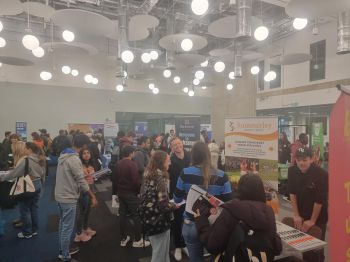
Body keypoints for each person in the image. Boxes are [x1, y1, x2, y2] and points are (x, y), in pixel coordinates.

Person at [193, 174, 282, 261]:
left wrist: (201, 221)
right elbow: (277, 248)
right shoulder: (268, 211)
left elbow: (212, 246)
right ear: (261, 191)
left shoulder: (231, 210)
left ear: (239, 189)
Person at [174, 141, 233, 262]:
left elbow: (177, 199)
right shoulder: (222, 176)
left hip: (191, 223)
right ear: (208, 155)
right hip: (215, 225)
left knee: (195, 259)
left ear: (193, 155)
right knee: (217, 258)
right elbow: (229, 202)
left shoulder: (185, 173)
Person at [55, 134, 98, 262]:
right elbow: (81, 180)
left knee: (63, 225)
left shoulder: (63, 156)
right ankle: (64, 256)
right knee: (67, 227)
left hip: (61, 195)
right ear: (84, 145)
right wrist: (93, 195)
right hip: (68, 197)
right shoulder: (73, 158)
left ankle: (64, 250)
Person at [287, 147, 328, 262]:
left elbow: (319, 201)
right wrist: (296, 215)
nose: (301, 163)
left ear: (312, 159)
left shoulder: (322, 174)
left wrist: (312, 221)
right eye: (298, 159)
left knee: (316, 250)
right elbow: (292, 193)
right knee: (304, 247)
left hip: (318, 217)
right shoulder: (292, 171)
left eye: (304, 160)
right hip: (301, 213)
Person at [0, 142, 46, 239]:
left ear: (29, 149)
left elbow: (13, 174)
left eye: (25, 148)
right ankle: (34, 230)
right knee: (34, 208)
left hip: (28, 186)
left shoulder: (26, 160)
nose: (23, 149)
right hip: (38, 185)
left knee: (25, 210)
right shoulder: (39, 158)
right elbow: (43, 174)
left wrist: (2, 177)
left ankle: (27, 232)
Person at [141, 150, 177, 262]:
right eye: (168, 160)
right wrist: (174, 205)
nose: (170, 163)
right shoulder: (160, 179)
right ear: (162, 162)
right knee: (159, 254)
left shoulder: (148, 174)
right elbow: (163, 206)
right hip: (160, 221)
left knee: (161, 252)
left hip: (149, 218)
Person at [113, 145, 149, 248]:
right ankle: (137, 240)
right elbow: (135, 181)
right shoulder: (132, 164)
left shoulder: (118, 164)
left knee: (122, 214)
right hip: (131, 194)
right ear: (131, 153)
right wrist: (137, 192)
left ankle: (124, 239)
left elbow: (114, 180)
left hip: (121, 193)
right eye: (133, 153)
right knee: (136, 215)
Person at [168, 137, 191, 261]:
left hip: (191, 193)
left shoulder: (191, 156)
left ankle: (185, 244)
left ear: (182, 143)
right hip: (177, 194)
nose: (177, 146)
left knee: (189, 220)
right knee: (177, 221)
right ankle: (178, 246)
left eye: (179, 143)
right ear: (172, 148)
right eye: (174, 145)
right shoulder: (170, 161)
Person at [75, 147, 97, 242]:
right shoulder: (79, 165)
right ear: (81, 155)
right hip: (83, 190)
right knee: (82, 212)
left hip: (90, 188)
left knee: (88, 211)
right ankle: (79, 233)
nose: (87, 154)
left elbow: (92, 177)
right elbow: (80, 180)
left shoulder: (91, 164)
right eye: (84, 153)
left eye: (88, 152)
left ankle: (85, 228)